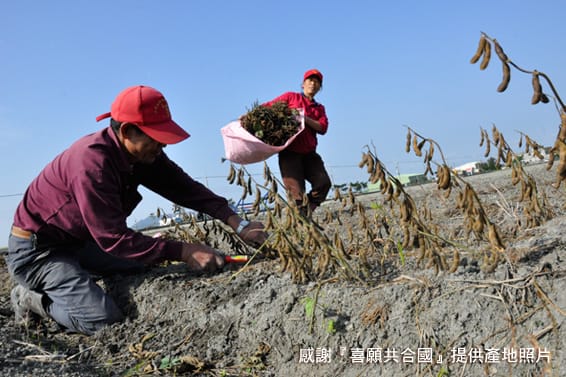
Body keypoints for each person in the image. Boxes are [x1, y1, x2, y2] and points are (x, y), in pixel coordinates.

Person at [5, 85, 267, 335]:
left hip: (83, 242)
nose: (163, 146)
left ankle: (76, 279)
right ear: (128, 131)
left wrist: (235, 221)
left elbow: (184, 188)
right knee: (102, 320)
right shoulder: (92, 163)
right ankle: (30, 298)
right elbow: (113, 238)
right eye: (157, 138)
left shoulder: (139, 156)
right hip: (39, 252)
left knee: (141, 264)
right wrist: (184, 251)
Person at [262, 69, 332, 216]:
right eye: (310, 80)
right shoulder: (290, 97)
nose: (313, 84)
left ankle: (308, 212)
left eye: (317, 82)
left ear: (320, 87)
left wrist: (304, 118)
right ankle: (302, 219)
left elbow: (323, 128)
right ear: (303, 84)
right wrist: (251, 115)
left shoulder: (319, 108)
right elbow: (270, 106)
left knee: (323, 183)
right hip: (290, 154)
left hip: (309, 154)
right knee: (297, 194)